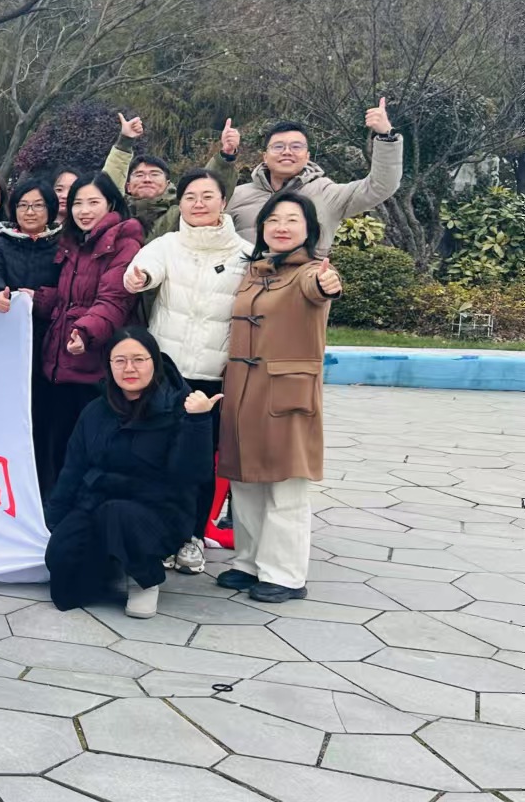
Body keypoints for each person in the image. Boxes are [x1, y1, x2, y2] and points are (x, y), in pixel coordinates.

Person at [216, 190, 343, 604]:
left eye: (292, 220)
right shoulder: (254, 271)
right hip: (242, 392)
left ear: (309, 229)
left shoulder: (309, 272)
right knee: (245, 481)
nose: (281, 227)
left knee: (285, 487)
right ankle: (249, 562)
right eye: (273, 220)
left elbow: (319, 288)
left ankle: (285, 575)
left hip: (286, 396)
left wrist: (327, 283)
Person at [122, 169, 251, 573]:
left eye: (207, 196)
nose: (198, 203)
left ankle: (192, 536)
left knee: (198, 464)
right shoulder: (167, 244)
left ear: (223, 202)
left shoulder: (246, 254)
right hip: (166, 373)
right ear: (180, 202)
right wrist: (138, 277)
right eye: (191, 196)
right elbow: (144, 269)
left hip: (214, 378)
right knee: (157, 457)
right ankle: (160, 534)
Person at [43, 327, 218, 618]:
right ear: (109, 365)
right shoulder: (96, 410)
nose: (129, 368)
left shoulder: (179, 406)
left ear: (154, 362)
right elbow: (73, 468)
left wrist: (198, 422)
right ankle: (112, 562)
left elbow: (192, 474)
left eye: (139, 359)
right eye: (120, 361)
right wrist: (55, 522)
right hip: (97, 504)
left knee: (118, 515)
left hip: (158, 512)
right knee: (64, 585)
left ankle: (145, 578)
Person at [35, 172, 145, 481]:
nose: (84, 211)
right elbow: (69, 299)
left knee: (90, 451)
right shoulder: (73, 242)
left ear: (111, 203)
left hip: (94, 364)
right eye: (77, 203)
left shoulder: (124, 244)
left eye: (93, 202)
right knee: (59, 448)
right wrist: (36, 299)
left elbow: (114, 300)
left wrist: (85, 332)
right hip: (60, 364)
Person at [226, 100, 402, 254]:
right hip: (247, 280)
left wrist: (386, 136)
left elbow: (380, 186)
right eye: (278, 146)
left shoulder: (327, 193)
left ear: (307, 156)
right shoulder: (237, 195)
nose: (287, 152)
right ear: (265, 156)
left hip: (305, 280)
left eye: (296, 146)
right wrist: (225, 156)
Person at [0, 178, 63, 490]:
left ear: (50, 210)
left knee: (44, 418)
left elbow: (68, 288)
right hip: (7, 345)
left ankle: (43, 487)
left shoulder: (63, 245)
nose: (30, 212)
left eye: (38, 205)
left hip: (49, 342)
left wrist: (41, 299)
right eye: (23, 205)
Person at [103, 113, 241, 237]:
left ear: (168, 183)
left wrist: (226, 155)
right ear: (128, 186)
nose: (147, 179)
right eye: (139, 175)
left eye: (154, 174)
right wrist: (124, 141)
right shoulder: (114, 214)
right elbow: (108, 183)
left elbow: (208, 186)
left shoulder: (181, 214)